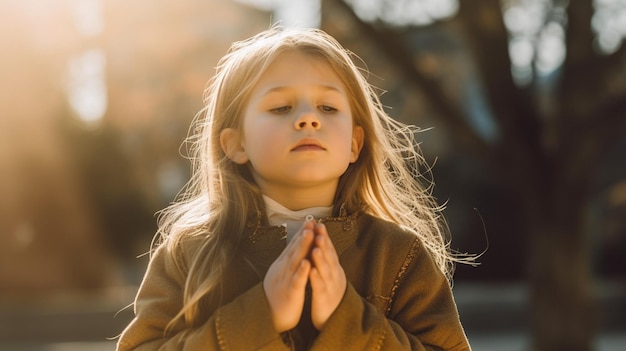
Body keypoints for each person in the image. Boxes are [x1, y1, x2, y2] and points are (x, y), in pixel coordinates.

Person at [117, 26, 472, 350]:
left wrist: (345, 317)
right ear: (235, 144)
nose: (308, 117)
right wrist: (260, 314)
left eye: (328, 106)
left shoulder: (398, 254)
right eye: (281, 106)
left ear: (354, 142)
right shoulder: (190, 252)